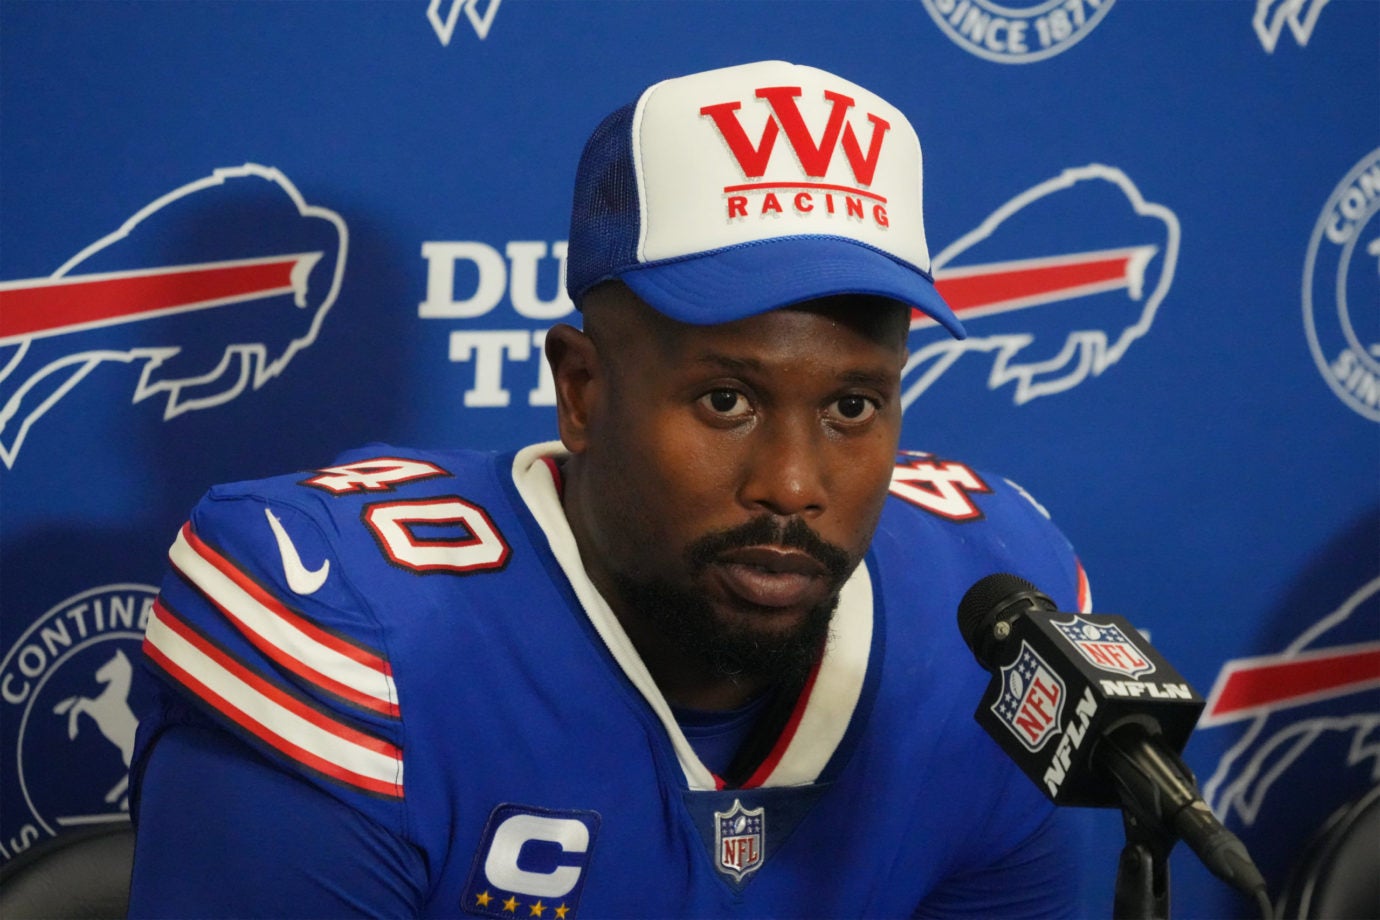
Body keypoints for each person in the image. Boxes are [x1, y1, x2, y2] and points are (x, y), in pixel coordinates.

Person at [127, 60, 1092, 917]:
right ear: (581, 391)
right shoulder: (353, 629)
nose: (794, 486)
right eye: (726, 400)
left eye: (852, 407)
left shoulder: (988, 613)